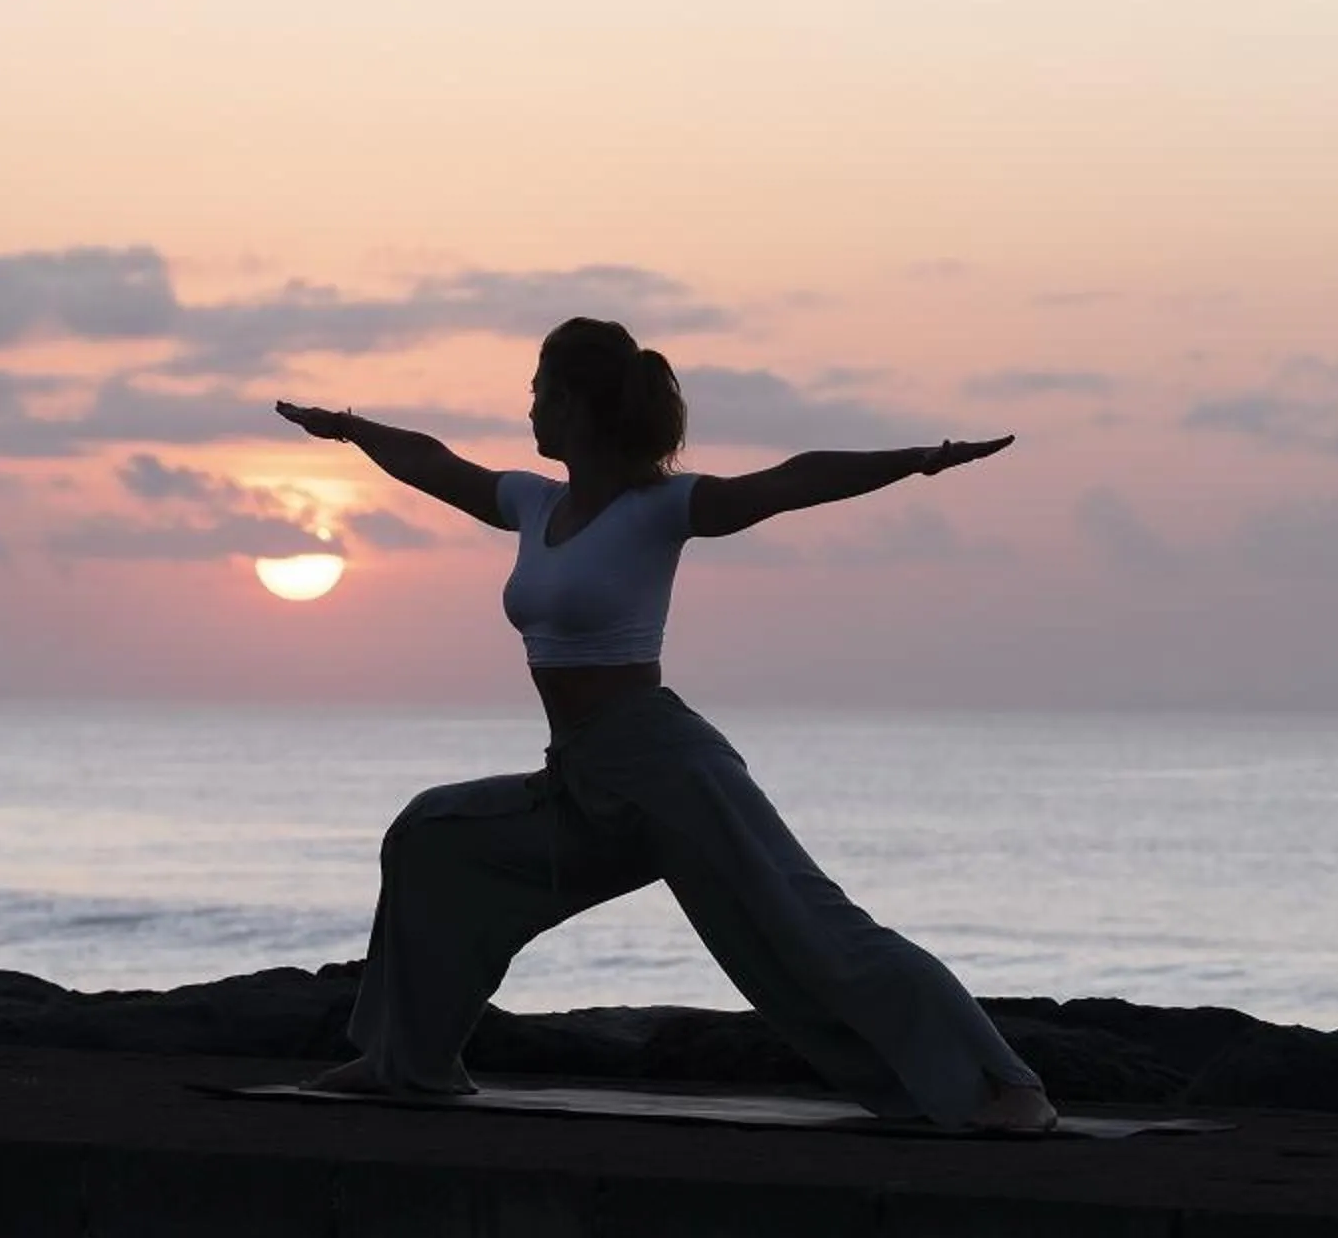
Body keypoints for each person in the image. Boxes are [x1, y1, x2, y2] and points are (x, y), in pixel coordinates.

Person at [272, 315, 1058, 1133]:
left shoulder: (662, 507)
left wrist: (919, 461)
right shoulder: (532, 504)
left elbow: (793, 478)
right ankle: (409, 1063)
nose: (530, 410)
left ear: (576, 404)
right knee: (435, 839)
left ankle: (1006, 1086)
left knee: (815, 931)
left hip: (666, 768)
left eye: (540, 392)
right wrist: (352, 431)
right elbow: (434, 464)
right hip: (580, 780)